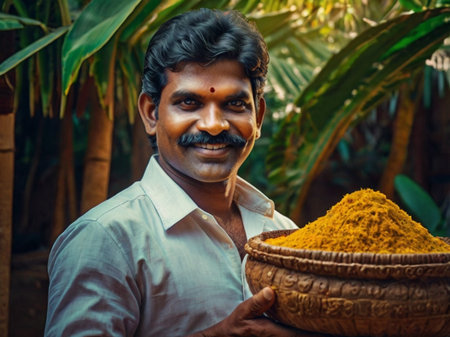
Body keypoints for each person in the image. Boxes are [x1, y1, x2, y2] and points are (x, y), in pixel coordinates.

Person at [45, 8, 321, 337]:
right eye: (189, 103)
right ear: (151, 113)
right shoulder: (106, 240)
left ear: (258, 117)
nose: (214, 124)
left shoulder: (285, 236)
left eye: (235, 105)